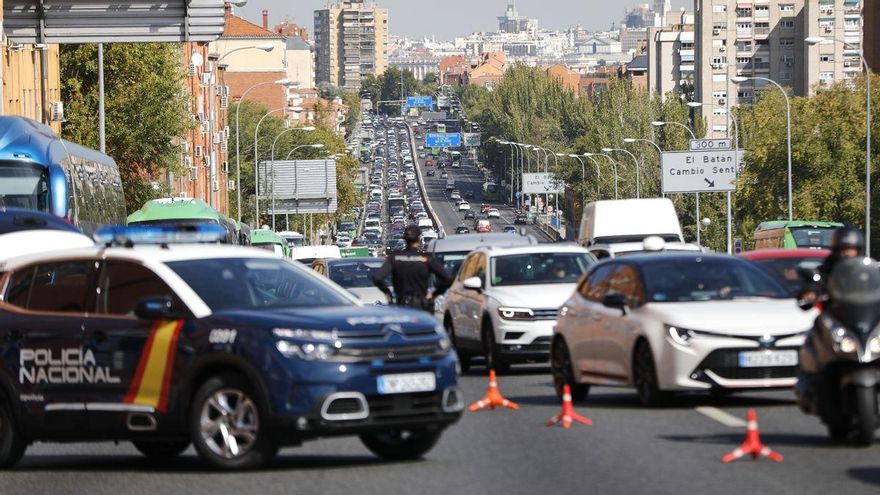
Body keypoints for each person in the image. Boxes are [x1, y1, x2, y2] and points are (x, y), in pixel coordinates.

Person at [373, 225, 453, 312]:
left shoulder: (395, 257)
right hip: (422, 306)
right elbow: (447, 279)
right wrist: (434, 294)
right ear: (419, 239)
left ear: (405, 239)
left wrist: (388, 293)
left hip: (401, 306)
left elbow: (377, 278)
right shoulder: (426, 258)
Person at [799, 226, 865, 305]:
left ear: (858, 250)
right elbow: (816, 285)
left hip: (861, 313)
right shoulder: (827, 269)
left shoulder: (866, 271)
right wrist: (811, 293)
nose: (847, 253)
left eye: (850, 249)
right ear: (836, 250)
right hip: (833, 312)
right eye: (843, 249)